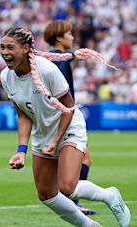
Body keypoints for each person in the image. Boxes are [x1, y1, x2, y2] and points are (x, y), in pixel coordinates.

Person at [0, 27, 130, 227]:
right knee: (46, 195)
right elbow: (23, 115)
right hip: (43, 133)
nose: (5, 52)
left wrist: (55, 140)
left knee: (67, 187)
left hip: (68, 127)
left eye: (10, 47)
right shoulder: (5, 77)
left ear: (25, 48)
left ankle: (110, 196)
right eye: (2, 48)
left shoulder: (48, 70)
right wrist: (21, 151)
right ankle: (89, 226)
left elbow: (69, 107)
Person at [43, 20, 95, 215]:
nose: (72, 37)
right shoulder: (60, 60)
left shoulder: (50, 58)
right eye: (69, 34)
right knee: (84, 158)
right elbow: (63, 94)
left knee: (65, 160)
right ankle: (72, 202)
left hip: (54, 115)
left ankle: (70, 201)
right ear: (59, 38)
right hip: (65, 115)